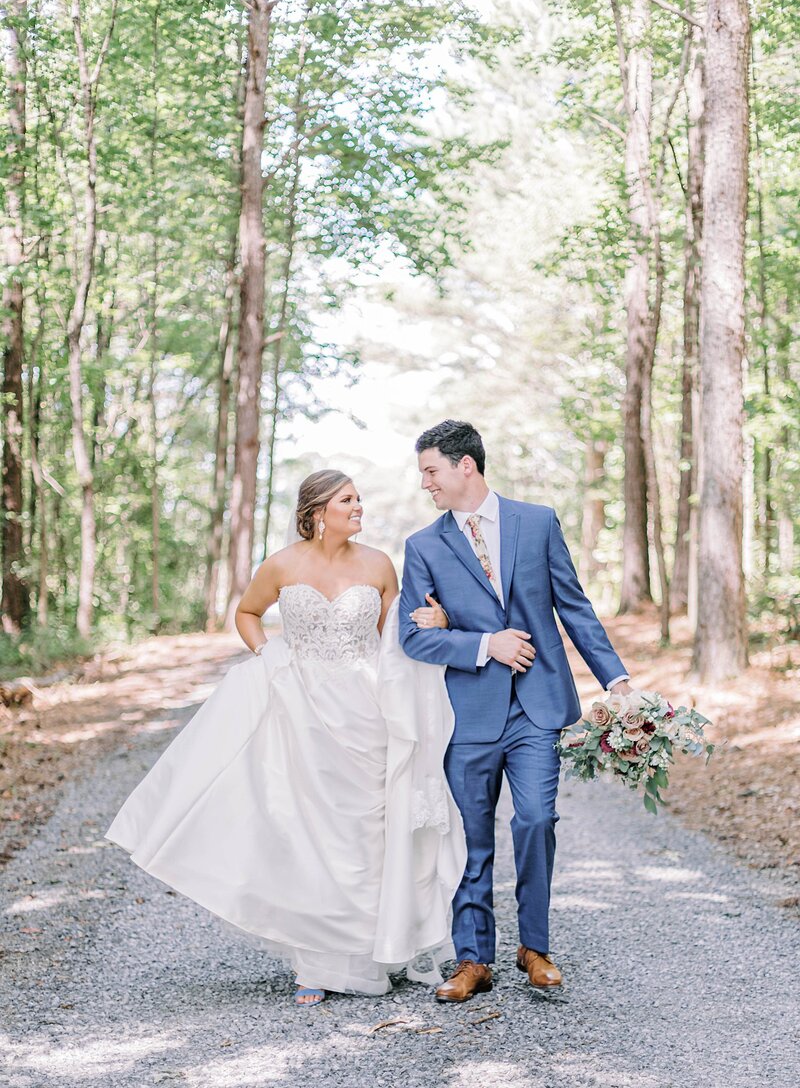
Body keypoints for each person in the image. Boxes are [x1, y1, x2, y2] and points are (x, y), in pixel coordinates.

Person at [105, 470, 466, 1006]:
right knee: (308, 830)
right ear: (319, 511)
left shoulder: (378, 565)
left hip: (368, 712)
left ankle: (371, 950)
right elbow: (247, 613)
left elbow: (398, 638)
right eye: (348, 500)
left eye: (359, 498)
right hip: (300, 708)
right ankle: (315, 963)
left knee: (368, 829)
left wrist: (434, 621)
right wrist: (268, 657)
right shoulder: (280, 564)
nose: (359, 506)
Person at [398, 420, 633, 1002]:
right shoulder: (423, 546)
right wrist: (484, 644)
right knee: (469, 837)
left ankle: (534, 947)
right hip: (469, 713)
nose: (425, 483)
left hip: (537, 707)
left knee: (535, 821)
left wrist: (618, 679)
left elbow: (574, 606)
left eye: (431, 470)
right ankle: (472, 959)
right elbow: (413, 637)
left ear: (465, 466)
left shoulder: (538, 521)